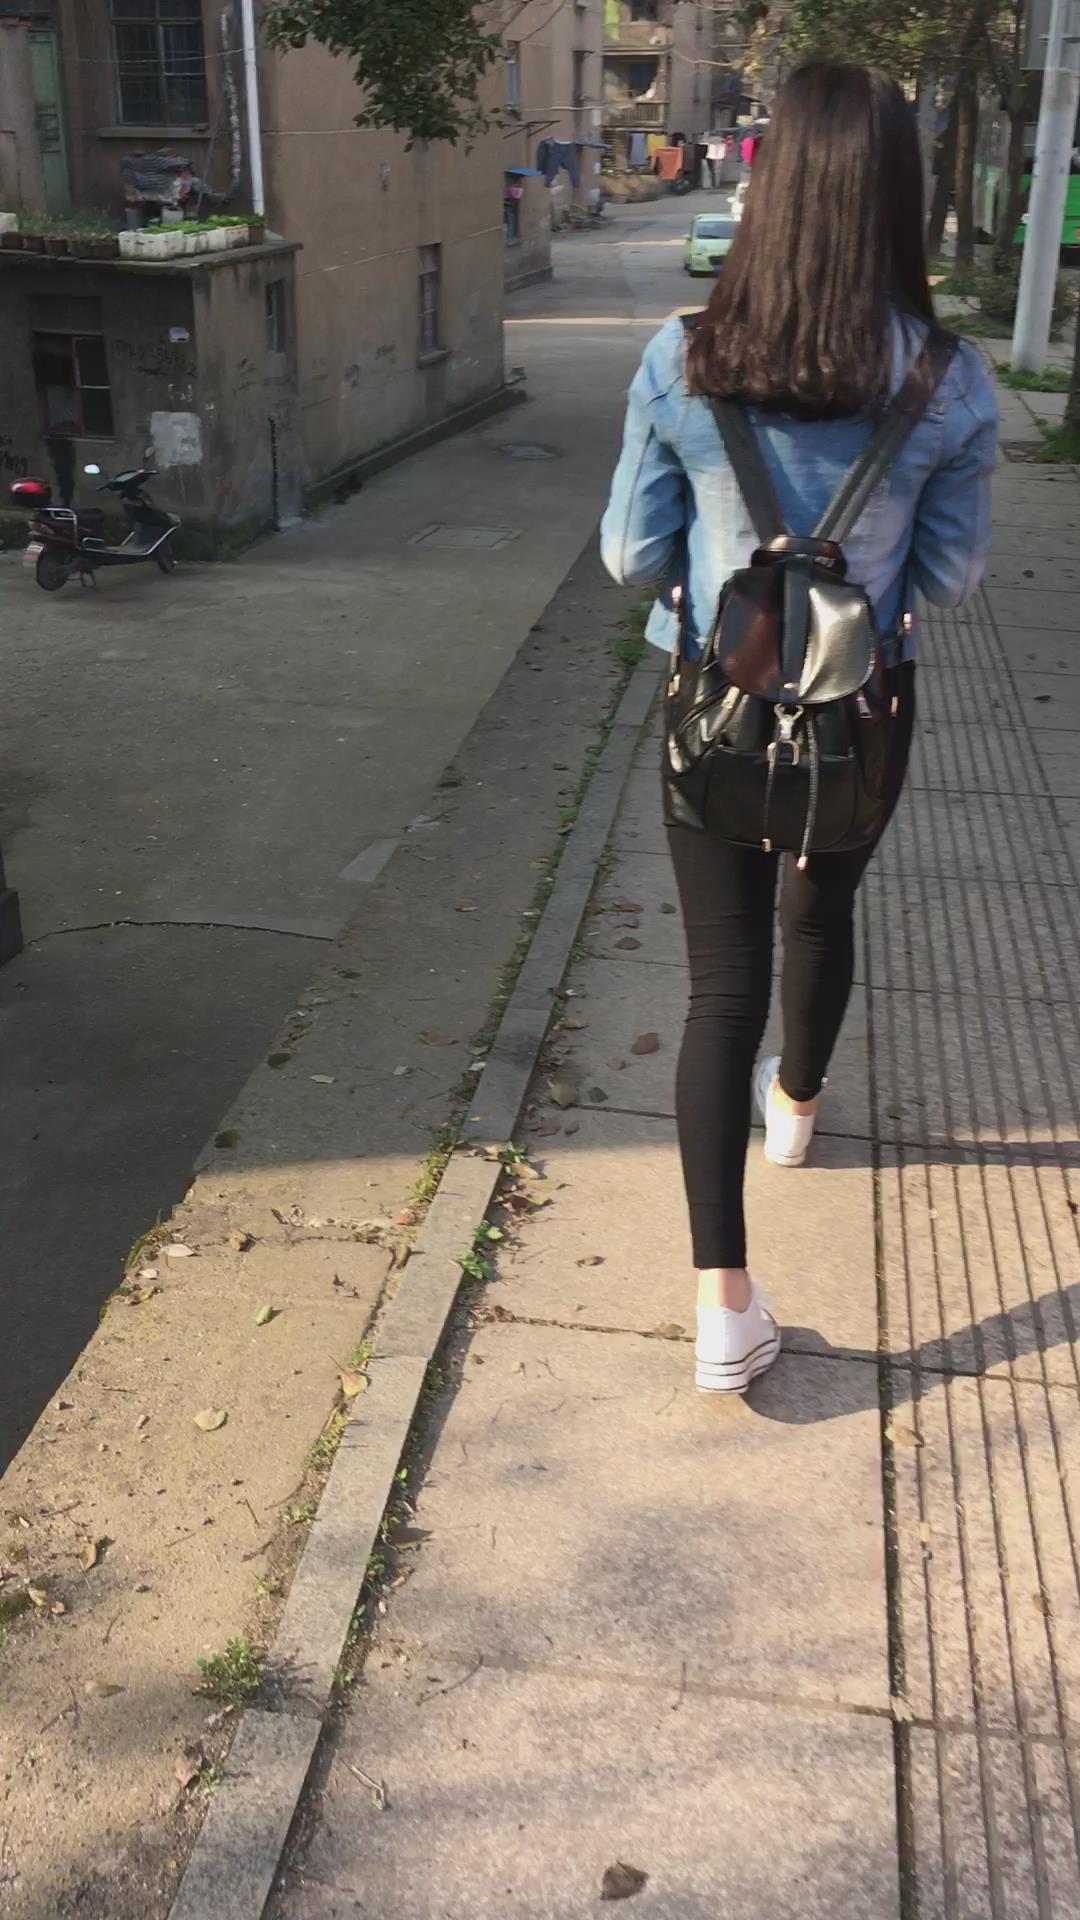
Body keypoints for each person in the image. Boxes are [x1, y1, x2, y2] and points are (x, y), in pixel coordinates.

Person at [600, 64, 997, 1395]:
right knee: (821, 914)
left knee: (720, 987)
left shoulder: (685, 356)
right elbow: (951, 576)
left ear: (767, 188)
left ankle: (724, 1306)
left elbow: (626, 556)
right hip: (863, 710)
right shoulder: (949, 378)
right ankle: (798, 1111)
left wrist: (718, 573)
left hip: (714, 711)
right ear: (900, 193)